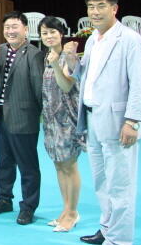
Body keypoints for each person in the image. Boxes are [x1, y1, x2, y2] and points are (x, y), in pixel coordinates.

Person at [76, 0, 141, 245]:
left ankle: (120, 240)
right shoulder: (92, 39)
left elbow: (139, 83)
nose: (95, 12)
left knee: (120, 185)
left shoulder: (130, 39)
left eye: (101, 6)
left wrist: (132, 121)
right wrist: (72, 61)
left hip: (119, 122)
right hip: (93, 118)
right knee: (101, 181)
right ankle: (107, 229)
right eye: (91, 7)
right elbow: (87, 77)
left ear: (114, 8)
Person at [0, 11, 44, 225]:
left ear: (26, 29)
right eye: (7, 27)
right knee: (4, 162)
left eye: (15, 26)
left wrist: (39, 116)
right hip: (2, 116)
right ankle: (4, 199)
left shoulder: (34, 54)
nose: (10, 31)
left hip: (24, 118)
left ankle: (28, 207)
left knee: (28, 166)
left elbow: (39, 88)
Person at [38, 16, 84, 232]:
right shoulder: (46, 57)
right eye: (44, 33)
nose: (48, 36)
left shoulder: (69, 57)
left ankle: (73, 213)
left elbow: (66, 86)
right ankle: (66, 209)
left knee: (69, 165)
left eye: (52, 32)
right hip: (50, 120)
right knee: (59, 165)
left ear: (61, 34)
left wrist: (56, 63)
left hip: (67, 120)